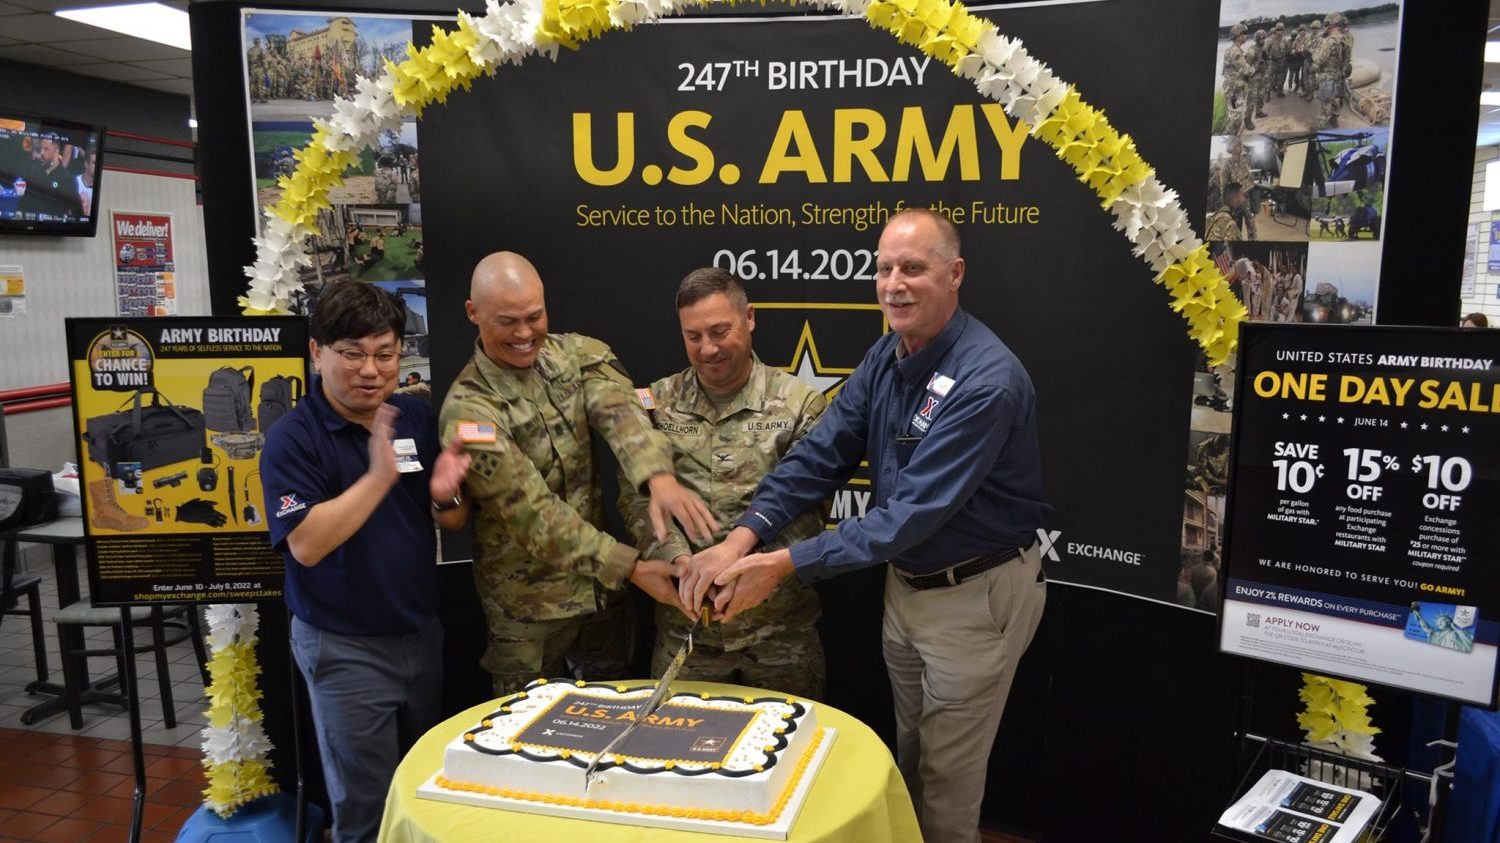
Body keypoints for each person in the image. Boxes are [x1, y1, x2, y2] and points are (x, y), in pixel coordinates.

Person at [679, 209, 1049, 843]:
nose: (894, 284)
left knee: (947, 786)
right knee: (909, 760)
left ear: (955, 274)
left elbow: (908, 516)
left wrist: (783, 565)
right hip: (908, 589)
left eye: (913, 268)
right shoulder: (889, 352)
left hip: (975, 597)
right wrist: (739, 541)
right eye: (884, 268)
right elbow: (821, 452)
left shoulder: (987, 381)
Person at [438, 251, 716, 695]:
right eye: (508, 321)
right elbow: (535, 516)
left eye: (535, 315)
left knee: (614, 723)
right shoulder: (470, 412)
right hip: (529, 618)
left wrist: (656, 475)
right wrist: (632, 568)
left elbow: (620, 410)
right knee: (524, 744)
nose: (526, 333)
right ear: (474, 313)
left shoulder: (577, 355)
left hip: (599, 604)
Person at [260, 281, 471, 843]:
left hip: (419, 634)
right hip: (344, 647)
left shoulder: (413, 418)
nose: (371, 371)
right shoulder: (292, 438)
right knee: (365, 809)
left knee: (424, 789)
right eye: (352, 354)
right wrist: (378, 476)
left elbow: (448, 520)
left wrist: (447, 493)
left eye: (385, 354)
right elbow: (305, 543)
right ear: (318, 352)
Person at [619, 267, 829, 700]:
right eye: (693, 336)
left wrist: (749, 571)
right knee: (675, 759)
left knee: (791, 759)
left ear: (749, 318)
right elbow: (637, 500)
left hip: (780, 634)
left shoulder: (798, 404)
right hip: (687, 633)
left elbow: (810, 507)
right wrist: (681, 563)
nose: (707, 349)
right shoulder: (656, 405)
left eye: (719, 331)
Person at [19, 136, 81, 220]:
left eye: (46, 149)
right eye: (41, 148)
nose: (41, 152)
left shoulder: (67, 179)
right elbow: (22, 204)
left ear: (56, 151)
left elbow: (75, 212)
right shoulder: (32, 172)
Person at [1222, 24, 1255, 133]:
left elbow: (1225, 71)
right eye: (1244, 33)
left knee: (1232, 116)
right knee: (1235, 120)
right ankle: (1229, 138)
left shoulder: (1229, 50)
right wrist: (1253, 68)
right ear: (1238, 36)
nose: (1246, 35)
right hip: (1234, 92)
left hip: (1232, 88)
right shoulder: (1236, 52)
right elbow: (1247, 71)